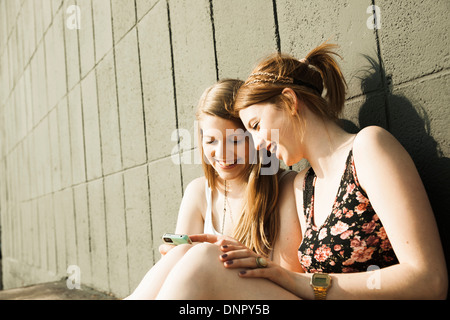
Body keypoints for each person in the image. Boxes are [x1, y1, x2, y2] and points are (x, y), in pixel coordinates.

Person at [154, 43, 447, 300]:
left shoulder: (368, 148)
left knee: (205, 260)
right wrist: (252, 262)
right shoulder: (302, 186)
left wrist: (294, 279)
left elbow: (430, 281)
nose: (256, 143)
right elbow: (296, 283)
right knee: (197, 255)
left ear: (290, 101)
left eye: (255, 126)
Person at [125, 79, 302, 299]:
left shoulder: (285, 187)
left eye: (235, 141)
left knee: (204, 254)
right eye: (211, 141)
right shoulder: (199, 191)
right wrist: (173, 260)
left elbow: (292, 280)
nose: (222, 153)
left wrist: (236, 257)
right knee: (181, 251)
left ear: (254, 137)